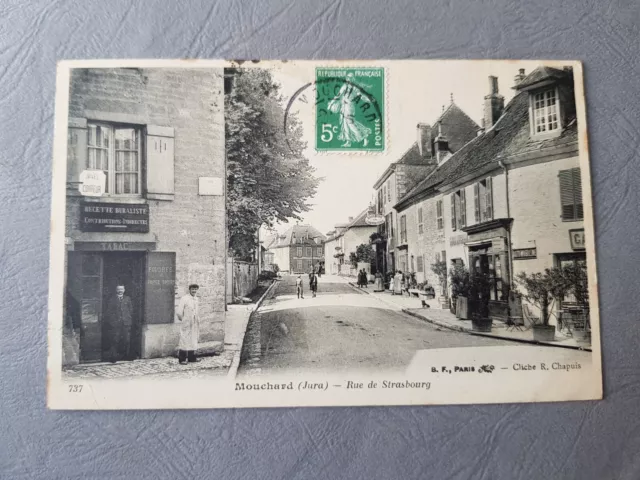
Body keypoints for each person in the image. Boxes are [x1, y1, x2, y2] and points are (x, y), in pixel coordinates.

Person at [327, 73, 373, 148]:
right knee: (345, 125)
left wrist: (369, 100)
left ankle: (364, 137)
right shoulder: (344, 86)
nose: (348, 79)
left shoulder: (355, 88)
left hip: (349, 107)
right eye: (347, 78)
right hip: (343, 107)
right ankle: (348, 142)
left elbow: (361, 96)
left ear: (352, 79)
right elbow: (338, 95)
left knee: (351, 123)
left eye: (349, 78)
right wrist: (331, 103)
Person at [103, 285, 133, 363]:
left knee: (126, 340)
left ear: (124, 290)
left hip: (126, 323)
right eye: (119, 289)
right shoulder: (112, 299)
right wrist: (113, 321)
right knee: (115, 340)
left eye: (122, 289)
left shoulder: (127, 299)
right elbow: (109, 312)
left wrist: (127, 318)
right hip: (115, 324)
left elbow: (130, 310)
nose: (120, 290)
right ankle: (113, 357)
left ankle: (126, 356)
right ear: (116, 290)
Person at [177, 284, 201, 365]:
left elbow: (196, 311)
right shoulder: (184, 299)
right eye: (192, 289)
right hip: (186, 322)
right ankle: (182, 359)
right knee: (184, 339)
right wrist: (184, 320)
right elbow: (179, 312)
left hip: (194, 323)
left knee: (193, 339)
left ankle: (192, 358)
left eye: (195, 289)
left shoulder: (196, 299)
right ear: (189, 290)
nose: (194, 291)